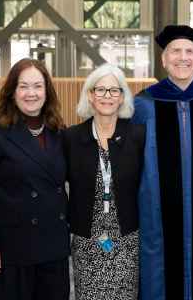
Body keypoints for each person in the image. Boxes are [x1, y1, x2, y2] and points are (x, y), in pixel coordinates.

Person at [132, 25, 193, 300]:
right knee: (159, 275)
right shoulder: (144, 103)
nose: (183, 57)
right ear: (164, 59)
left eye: (190, 51)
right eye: (175, 50)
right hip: (157, 212)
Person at [0, 58, 70, 300]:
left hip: (53, 247)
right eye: (23, 86)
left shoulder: (58, 131)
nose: (31, 93)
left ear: (47, 91)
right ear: (12, 91)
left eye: (38, 86)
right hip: (11, 248)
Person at [63, 63, 145, 300]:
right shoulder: (71, 138)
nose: (107, 96)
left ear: (122, 98)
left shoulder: (138, 136)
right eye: (100, 90)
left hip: (126, 240)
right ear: (90, 95)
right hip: (87, 241)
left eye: (114, 90)